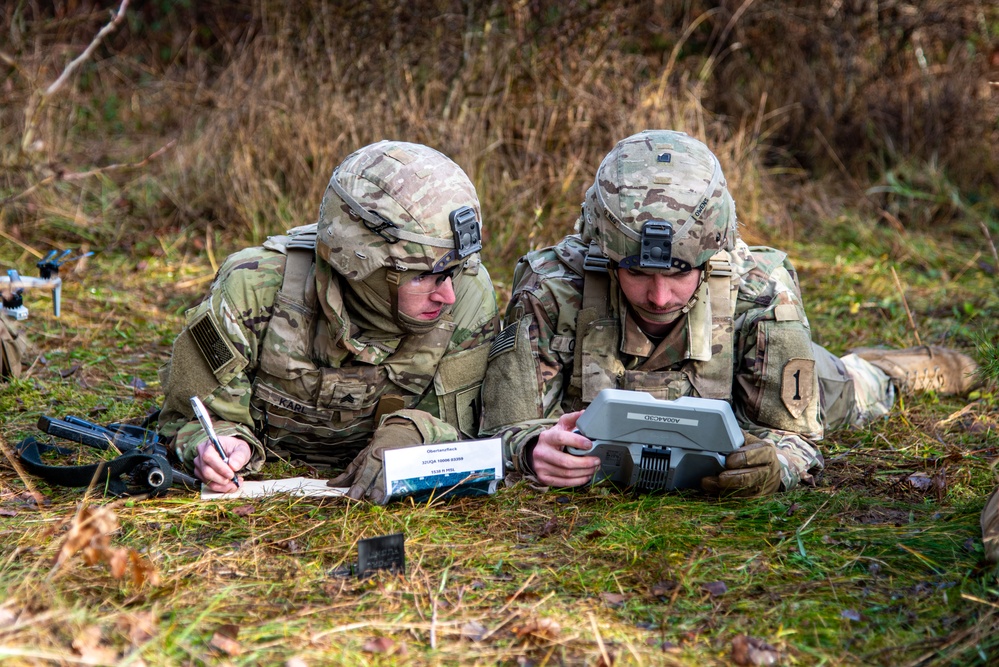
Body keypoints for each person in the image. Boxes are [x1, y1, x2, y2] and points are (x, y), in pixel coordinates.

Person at [480, 129, 978, 496]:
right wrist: (531, 450)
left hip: (759, 394)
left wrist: (773, 467)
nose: (658, 297)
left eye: (679, 273)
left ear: (712, 253)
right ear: (603, 254)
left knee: (844, 387)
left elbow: (794, 439)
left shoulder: (759, 291)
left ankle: (885, 370)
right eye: (636, 272)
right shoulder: (553, 287)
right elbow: (505, 428)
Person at [157, 140, 499, 502]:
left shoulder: (468, 296)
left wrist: (416, 436)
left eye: (454, 272)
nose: (447, 295)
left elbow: (471, 433)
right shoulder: (255, 284)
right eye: (423, 276)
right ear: (361, 264)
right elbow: (190, 417)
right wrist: (219, 445)